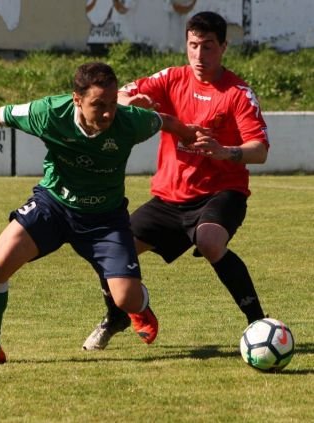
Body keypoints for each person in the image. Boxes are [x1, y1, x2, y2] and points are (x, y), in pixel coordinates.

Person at [0, 62, 202, 367]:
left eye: (112, 103)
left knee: (127, 299)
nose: (109, 113)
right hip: (54, 206)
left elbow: (163, 121)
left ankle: (139, 305)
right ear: (76, 99)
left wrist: (188, 132)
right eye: (98, 105)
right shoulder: (48, 113)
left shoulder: (130, 121)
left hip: (105, 219)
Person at [82, 12, 270, 351]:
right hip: (169, 198)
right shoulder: (171, 78)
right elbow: (121, 94)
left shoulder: (238, 93)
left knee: (211, 241)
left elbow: (259, 150)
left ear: (224, 47)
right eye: (193, 46)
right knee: (108, 251)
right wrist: (131, 103)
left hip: (221, 193)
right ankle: (118, 315)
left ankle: (259, 323)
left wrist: (224, 151)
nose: (199, 55)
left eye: (208, 47)